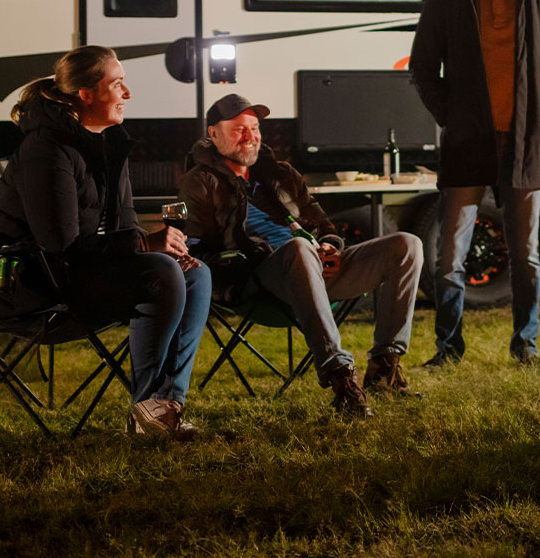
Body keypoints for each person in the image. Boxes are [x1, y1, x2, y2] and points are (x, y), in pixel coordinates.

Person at [0, 45, 211, 441]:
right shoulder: (46, 149)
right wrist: (145, 245)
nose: (127, 94)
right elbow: (61, 247)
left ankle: (160, 407)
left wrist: (156, 246)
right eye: (117, 84)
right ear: (86, 94)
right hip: (28, 284)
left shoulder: (109, 144)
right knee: (162, 269)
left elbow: (125, 225)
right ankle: (151, 405)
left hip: (77, 275)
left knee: (195, 274)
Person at [178, 94, 423, 417]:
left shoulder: (280, 174)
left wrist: (330, 245)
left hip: (317, 268)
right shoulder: (199, 182)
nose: (250, 136)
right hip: (262, 279)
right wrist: (271, 253)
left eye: (254, 128)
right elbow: (199, 248)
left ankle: (384, 367)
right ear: (213, 134)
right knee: (298, 249)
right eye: (239, 129)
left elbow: (322, 224)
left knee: (406, 245)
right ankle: (340, 377)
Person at [409, 0, 540, 365]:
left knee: (527, 258)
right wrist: (452, 116)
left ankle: (526, 345)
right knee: (449, 259)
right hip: (466, 143)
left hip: (525, 142)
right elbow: (422, 66)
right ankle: (448, 349)